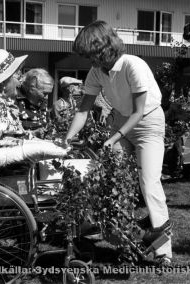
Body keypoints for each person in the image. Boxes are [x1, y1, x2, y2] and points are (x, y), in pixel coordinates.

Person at [61, 20, 172, 265]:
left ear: (103, 48)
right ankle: (126, 242)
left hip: (148, 122)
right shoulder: (97, 71)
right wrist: (67, 139)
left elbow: (139, 112)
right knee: (112, 179)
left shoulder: (133, 65)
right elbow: (83, 110)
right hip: (122, 121)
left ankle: (164, 251)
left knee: (149, 182)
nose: (89, 61)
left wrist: (113, 138)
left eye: (91, 55)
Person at [18, 68, 54, 136]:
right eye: (44, 93)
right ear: (32, 88)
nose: (46, 97)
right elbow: (11, 134)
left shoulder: (43, 104)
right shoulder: (17, 105)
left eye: (49, 94)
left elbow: (48, 126)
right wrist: (33, 133)